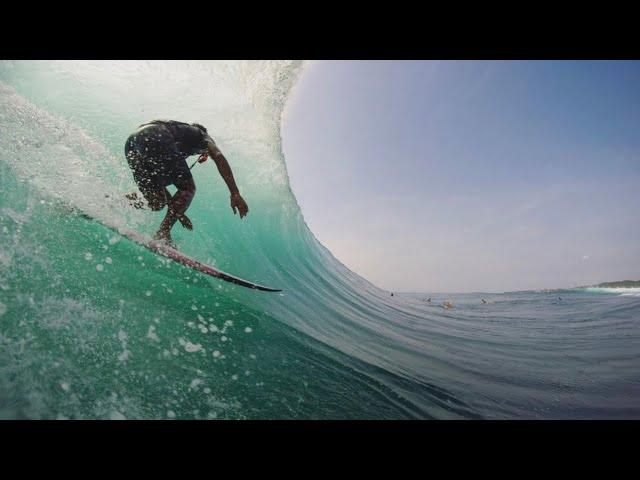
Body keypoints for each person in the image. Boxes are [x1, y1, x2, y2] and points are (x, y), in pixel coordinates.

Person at [124, 120, 248, 247]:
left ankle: (119, 200)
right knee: (188, 188)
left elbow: (160, 185)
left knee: (157, 202)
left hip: (132, 144)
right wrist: (235, 193)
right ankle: (162, 233)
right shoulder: (202, 135)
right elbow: (218, 155)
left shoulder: (178, 141)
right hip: (156, 134)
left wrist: (178, 212)